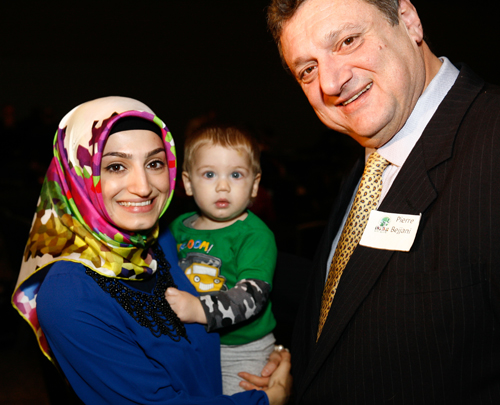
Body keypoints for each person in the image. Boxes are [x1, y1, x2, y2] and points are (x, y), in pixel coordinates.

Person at [267, 0, 500, 403]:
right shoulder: (366, 165)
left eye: (347, 41)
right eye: (307, 70)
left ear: (408, 21)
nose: (330, 82)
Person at [11, 96, 291, 405]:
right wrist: (269, 400)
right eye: (116, 166)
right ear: (76, 175)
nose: (143, 186)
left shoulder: (162, 240)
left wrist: (270, 352)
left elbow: (228, 297)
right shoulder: (69, 295)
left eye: (154, 163)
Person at [165, 125, 277, 395]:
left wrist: (199, 310)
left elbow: (252, 295)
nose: (223, 185)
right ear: (188, 183)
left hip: (241, 349)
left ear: (254, 185)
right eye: (209, 174)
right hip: (192, 341)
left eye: (236, 174)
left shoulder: (254, 235)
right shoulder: (178, 227)